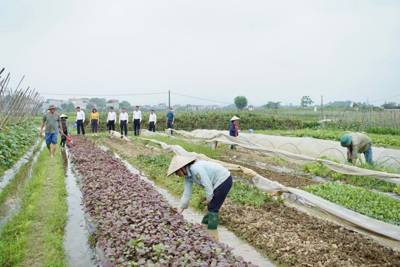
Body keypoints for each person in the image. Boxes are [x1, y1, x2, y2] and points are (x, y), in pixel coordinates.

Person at [167, 155, 233, 230]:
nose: (177, 174)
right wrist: (180, 211)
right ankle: (204, 226)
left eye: (176, 172)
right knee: (211, 206)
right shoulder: (188, 177)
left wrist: (209, 199)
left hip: (224, 179)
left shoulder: (195, 168)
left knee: (213, 207)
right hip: (217, 182)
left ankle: (211, 231)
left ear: (182, 168)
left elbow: (207, 184)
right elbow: (186, 194)